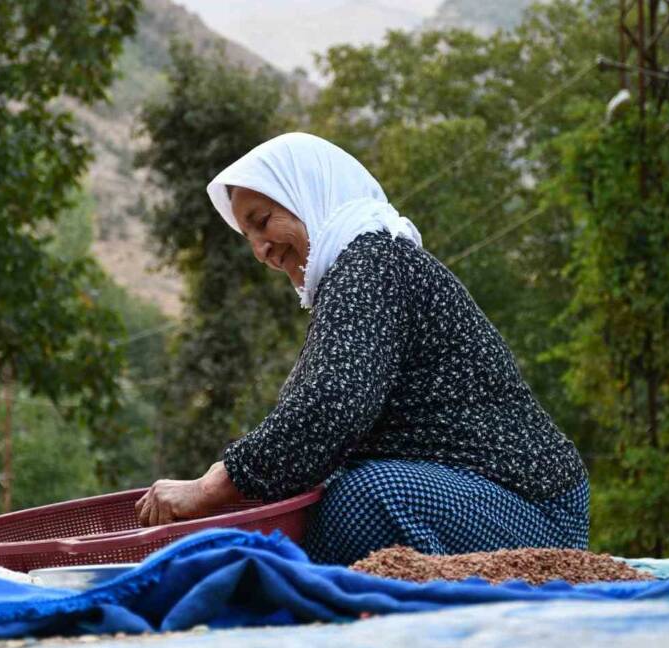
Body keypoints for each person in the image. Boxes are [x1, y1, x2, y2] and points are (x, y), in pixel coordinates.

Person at [134, 132, 588, 565]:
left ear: (307, 194)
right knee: (317, 501)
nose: (261, 250)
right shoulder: (352, 275)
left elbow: (330, 408)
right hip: (481, 502)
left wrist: (215, 484)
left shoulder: (373, 263)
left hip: (536, 513)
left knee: (361, 500)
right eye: (247, 236)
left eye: (263, 222)